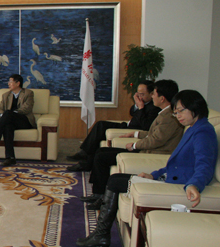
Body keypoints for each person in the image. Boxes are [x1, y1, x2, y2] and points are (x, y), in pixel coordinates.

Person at [77, 89, 218, 247]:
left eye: (180, 111)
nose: (178, 115)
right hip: (169, 177)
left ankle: (101, 234)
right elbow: (174, 164)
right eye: (175, 112)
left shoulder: (203, 132)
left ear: (195, 108)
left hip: (179, 184)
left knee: (116, 181)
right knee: (115, 179)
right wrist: (153, 175)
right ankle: (101, 234)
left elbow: (204, 164)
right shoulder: (193, 128)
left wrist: (195, 184)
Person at [79, 80, 184, 209]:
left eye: (154, 94)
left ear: (162, 98)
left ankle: (100, 196)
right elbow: (153, 133)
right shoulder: (165, 113)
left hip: (153, 153)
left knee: (102, 157)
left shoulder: (169, 117)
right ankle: (98, 193)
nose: (152, 96)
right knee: (101, 152)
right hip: (148, 149)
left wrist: (135, 145)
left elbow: (156, 140)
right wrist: (135, 134)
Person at [67, 80, 158, 164]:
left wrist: (141, 108)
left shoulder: (154, 107)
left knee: (101, 127)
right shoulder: (142, 102)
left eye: (142, 94)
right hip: (127, 124)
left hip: (132, 129)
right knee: (100, 125)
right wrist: (137, 105)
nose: (139, 96)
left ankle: (85, 156)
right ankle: (85, 154)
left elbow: (146, 125)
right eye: (138, 93)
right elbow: (132, 112)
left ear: (151, 94)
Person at [0, 74, 36, 166]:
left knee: (8, 113)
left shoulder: (28, 93)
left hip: (24, 120)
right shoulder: (6, 95)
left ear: (18, 83)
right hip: (10, 120)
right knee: (7, 126)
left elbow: (27, 109)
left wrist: (11, 114)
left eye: (11, 81)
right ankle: (10, 158)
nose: (8, 83)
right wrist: (4, 115)